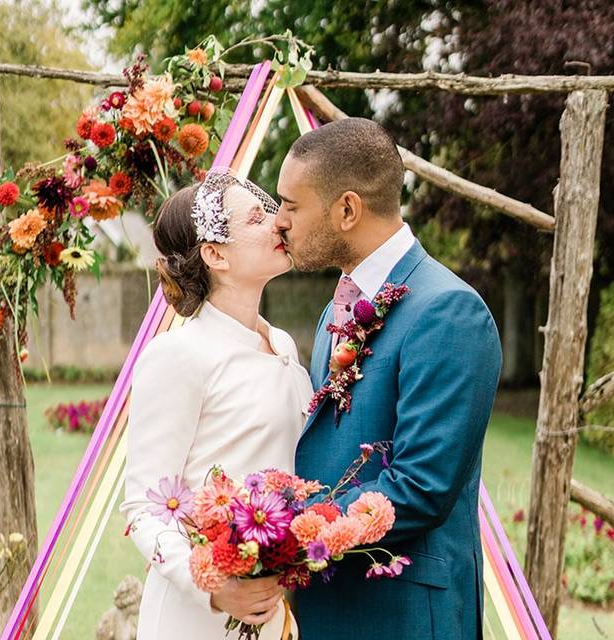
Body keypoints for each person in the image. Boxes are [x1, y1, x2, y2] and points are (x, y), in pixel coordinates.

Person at [275, 117, 503, 639]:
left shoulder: (448, 312)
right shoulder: (338, 307)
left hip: (402, 615)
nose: (279, 221)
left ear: (347, 209)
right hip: (330, 605)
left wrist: (288, 531)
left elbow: (420, 487)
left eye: (291, 205)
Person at [120, 170, 311, 640]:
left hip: (270, 607)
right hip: (194, 615)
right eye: (256, 218)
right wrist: (213, 587)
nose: (277, 223)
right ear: (215, 254)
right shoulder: (177, 355)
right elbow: (144, 507)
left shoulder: (283, 345)